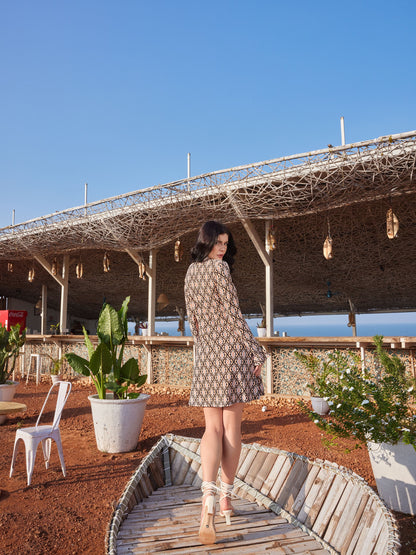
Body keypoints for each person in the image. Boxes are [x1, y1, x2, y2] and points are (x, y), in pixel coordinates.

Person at [184, 220, 266, 544]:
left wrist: (207, 347)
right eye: (218, 243)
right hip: (231, 352)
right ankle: (226, 499)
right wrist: (256, 350)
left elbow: (195, 321)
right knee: (231, 430)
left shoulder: (190, 273)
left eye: (225, 244)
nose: (222, 249)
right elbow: (234, 314)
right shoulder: (220, 271)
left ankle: (207, 501)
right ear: (207, 242)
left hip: (206, 354)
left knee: (211, 429)